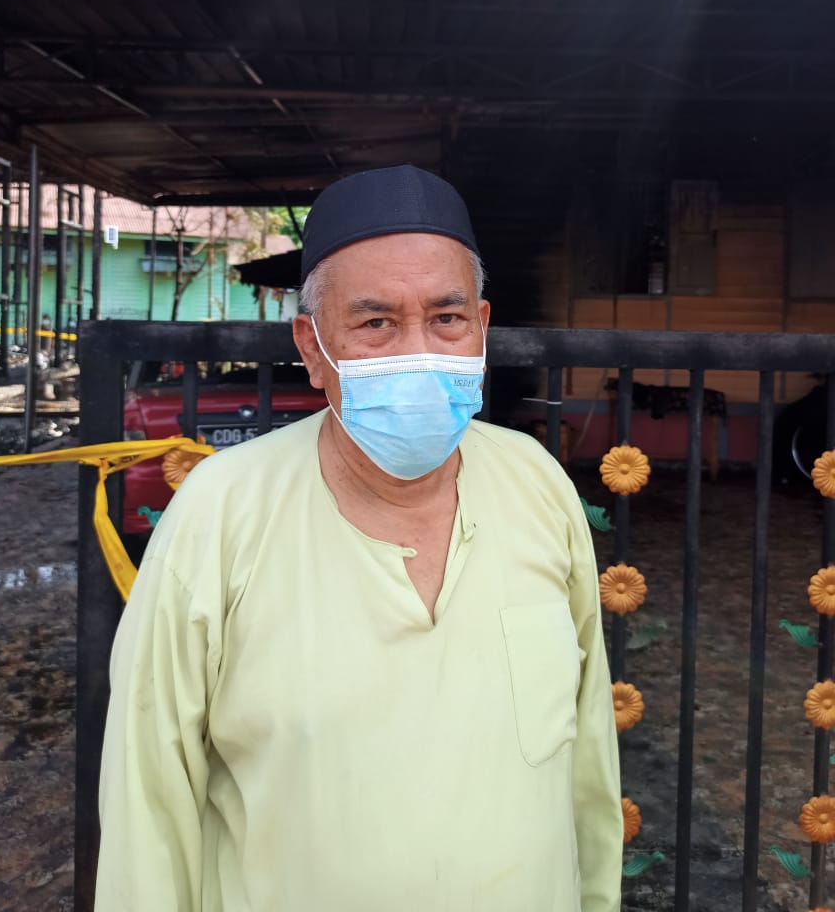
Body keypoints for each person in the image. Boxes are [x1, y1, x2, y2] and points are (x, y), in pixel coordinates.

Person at [96, 164, 622, 912]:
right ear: (312, 347)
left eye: (446, 318)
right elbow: (149, 797)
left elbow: (589, 754)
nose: (419, 352)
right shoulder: (221, 513)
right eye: (376, 324)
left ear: (481, 326)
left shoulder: (536, 483)